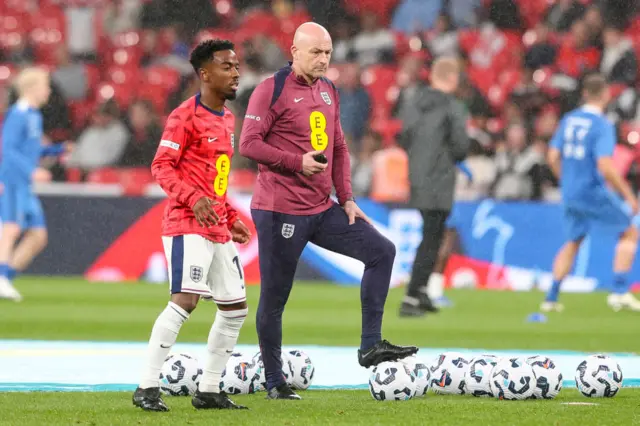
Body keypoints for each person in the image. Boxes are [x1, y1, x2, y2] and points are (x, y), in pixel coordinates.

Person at [239, 22, 418, 400]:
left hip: (322, 208)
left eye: (328, 52)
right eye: (316, 52)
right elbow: (249, 144)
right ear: (294, 51)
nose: (323, 59)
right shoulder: (270, 89)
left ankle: (370, 345)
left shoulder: (329, 90)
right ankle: (274, 381)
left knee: (381, 251)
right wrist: (295, 162)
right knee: (274, 298)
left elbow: (339, 147)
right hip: (279, 210)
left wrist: (348, 198)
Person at [132, 39, 252, 412]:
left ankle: (210, 390)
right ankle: (147, 387)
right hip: (185, 222)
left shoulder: (227, 118)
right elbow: (161, 167)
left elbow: (215, 179)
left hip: (215, 224)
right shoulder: (184, 116)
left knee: (235, 309)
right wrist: (194, 199)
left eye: (236, 66)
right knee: (186, 299)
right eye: (226, 66)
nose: (236, 73)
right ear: (205, 74)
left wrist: (230, 216)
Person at [542, 73, 640, 313]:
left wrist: (566, 180)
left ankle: (551, 298)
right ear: (605, 95)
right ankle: (618, 292)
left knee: (573, 240)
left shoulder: (569, 119)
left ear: (585, 94)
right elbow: (605, 165)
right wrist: (628, 195)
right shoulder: (602, 124)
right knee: (629, 232)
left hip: (570, 191)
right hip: (592, 190)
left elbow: (552, 156)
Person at [397, 57, 470, 317]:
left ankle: (422, 291)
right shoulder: (453, 106)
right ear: (452, 78)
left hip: (417, 176)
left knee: (430, 234)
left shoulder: (413, 103)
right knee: (432, 238)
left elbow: (403, 137)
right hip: (440, 178)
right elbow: (461, 146)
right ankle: (411, 298)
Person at [0, 67, 64, 301]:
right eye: (45, 86)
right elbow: (8, 150)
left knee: (38, 236)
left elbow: (31, 149)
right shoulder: (18, 114)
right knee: (10, 229)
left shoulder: (34, 116)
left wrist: (56, 149)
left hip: (25, 183)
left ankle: (5, 277)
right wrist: (32, 170)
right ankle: (2, 278)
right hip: (13, 180)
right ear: (32, 88)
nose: (48, 91)